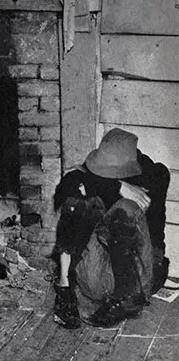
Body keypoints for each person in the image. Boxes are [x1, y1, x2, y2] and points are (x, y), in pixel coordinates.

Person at [52, 128, 170, 329]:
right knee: (75, 203)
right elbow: (65, 188)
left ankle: (126, 302)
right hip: (98, 278)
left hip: (140, 279)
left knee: (126, 208)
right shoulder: (102, 176)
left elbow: (157, 180)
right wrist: (116, 186)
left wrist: (101, 186)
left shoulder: (153, 175)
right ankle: (64, 290)